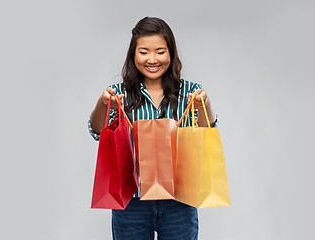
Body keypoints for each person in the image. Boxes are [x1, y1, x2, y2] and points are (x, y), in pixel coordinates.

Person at [88, 16, 219, 240]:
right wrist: (102, 103)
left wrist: (204, 104)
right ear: (133, 54)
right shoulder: (120, 94)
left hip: (179, 201)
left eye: (160, 51)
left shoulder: (190, 90)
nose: (152, 59)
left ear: (171, 53)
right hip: (131, 201)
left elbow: (207, 131)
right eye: (144, 51)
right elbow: (97, 131)